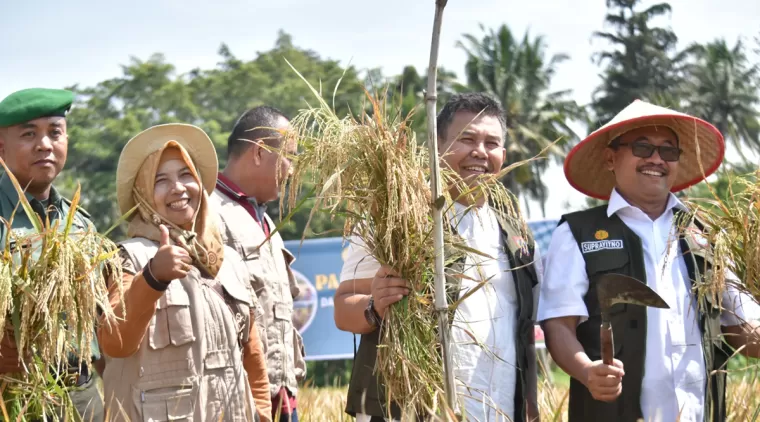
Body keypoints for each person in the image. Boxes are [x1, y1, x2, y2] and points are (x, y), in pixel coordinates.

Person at [539, 99, 760, 422]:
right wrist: (587, 371)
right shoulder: (579, 233)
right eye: (643, 147)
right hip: (612, 414)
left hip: (700, 412)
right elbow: (559, 324)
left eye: (668, 151)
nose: (657, 159)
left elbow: (743, 326)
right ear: (611, 158)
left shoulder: (707, 236)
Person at [336, 93, 542, 422]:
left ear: (504, 154)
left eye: (492, 143)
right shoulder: (396, 218)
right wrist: (374, 306)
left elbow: (524, 332)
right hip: (411, 410)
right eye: (467, 139)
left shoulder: (515, 232)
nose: (480, 152)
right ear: (437, 144)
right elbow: (344, 309)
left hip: (500, 410)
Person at [97, 123, 271, 421]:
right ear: (142, 194)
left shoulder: (228, 261)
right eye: (160, 180)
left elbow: (253, 357)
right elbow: (115, 342)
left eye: (186, 175)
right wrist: (153, 277)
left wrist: (263, 414)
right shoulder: (128, 257)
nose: (178, 188)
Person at [0, 87, 104, 420]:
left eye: (54, 133)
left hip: (81, 392)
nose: (45, 144)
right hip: (14, 394)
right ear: (1, 146)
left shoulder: (80, 222)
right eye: (29, 134)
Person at [209, 106, 306, 422]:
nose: (291, 170)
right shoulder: (209, 213)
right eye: (289, 156)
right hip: (238, 399)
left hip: (282, 395)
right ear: (260, 152)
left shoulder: (264, 221)